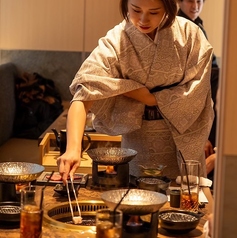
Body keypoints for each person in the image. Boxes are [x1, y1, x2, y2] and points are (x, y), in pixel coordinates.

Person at [57, 0, 214, 183]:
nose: (143, 19)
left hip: (182, 139)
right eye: (136, 10)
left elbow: (198, 91)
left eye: (154, 12)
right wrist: (73, 149)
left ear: (169, 9)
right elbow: (84, 92)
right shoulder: (117, 39)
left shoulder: (190, 34)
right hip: (138, 138)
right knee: (137, 196)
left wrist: (149, 98)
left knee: (183, 200)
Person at [177, 0, 219, 181]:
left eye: (200, 0)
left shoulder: (198, 26)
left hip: (209, 102)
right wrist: (202, 135)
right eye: (190, 0)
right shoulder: (179, 27)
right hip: (190, 105)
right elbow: (189, 87)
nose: (195, 5)